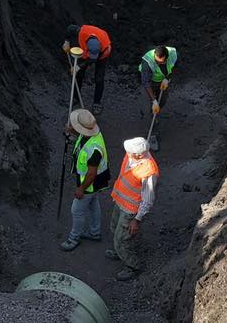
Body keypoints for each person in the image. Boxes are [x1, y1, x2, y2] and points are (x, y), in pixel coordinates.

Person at [108, 137, 159, 281]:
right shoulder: (132, 155)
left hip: (131, 210)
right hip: (120, 201)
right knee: (114, 227)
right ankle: (119, 252)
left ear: (139, 155)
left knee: (122, 239)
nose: (126, 153)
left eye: (130, 152)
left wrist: (137, 220)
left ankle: (133, 265)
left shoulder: (148, 171)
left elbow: (148, 199)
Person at [61, 108, 109, 252]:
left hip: (90, 183)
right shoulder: (92, 135)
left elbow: (91, 173)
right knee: (93, 204)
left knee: (77, 210)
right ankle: (95, 232)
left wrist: (81, 188)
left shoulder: (94, 149)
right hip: (98, 181)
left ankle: (74, 237)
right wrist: (71, 131)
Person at [64, 23, 112, 113]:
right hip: (86, 53)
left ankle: (97, 103)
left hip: (102, 57)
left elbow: (92, 60)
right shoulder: (81, 32)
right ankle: (76, 97)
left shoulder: (105, 47)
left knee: (99, 79)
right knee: (78, 74)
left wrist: (79, 66)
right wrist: (67, 41)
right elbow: (70, 28)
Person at [140, 45, 178, 114]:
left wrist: (167, 78)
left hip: (163, 79)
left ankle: (157, 111)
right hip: (151, 80)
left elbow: (176, 66)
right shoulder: (147, 62)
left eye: (160, 62)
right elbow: (146, 82)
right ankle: (152, 113)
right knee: (150, 100)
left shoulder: (173, 54)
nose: (157, 63)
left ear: (167, 58)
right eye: (156, 61)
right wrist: (154, 101)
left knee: (162, 100)